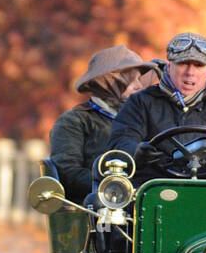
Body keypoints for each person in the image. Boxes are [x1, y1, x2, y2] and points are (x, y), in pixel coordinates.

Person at [106, 32, 206, 185]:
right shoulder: (141, 102)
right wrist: (136, 152)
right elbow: (120, 144)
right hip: (153, 190)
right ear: (169, 67)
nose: (190, 73)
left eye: (199, 65)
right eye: (183, 64)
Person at [49, 46, 156, 203]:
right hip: (94, 212)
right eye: (131, 80)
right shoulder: (74, 121)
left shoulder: (144, 120)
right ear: (107, 83)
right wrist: (116, 187)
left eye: (139, 80)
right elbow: (66, 173)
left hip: (145, 206)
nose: (139, 86)